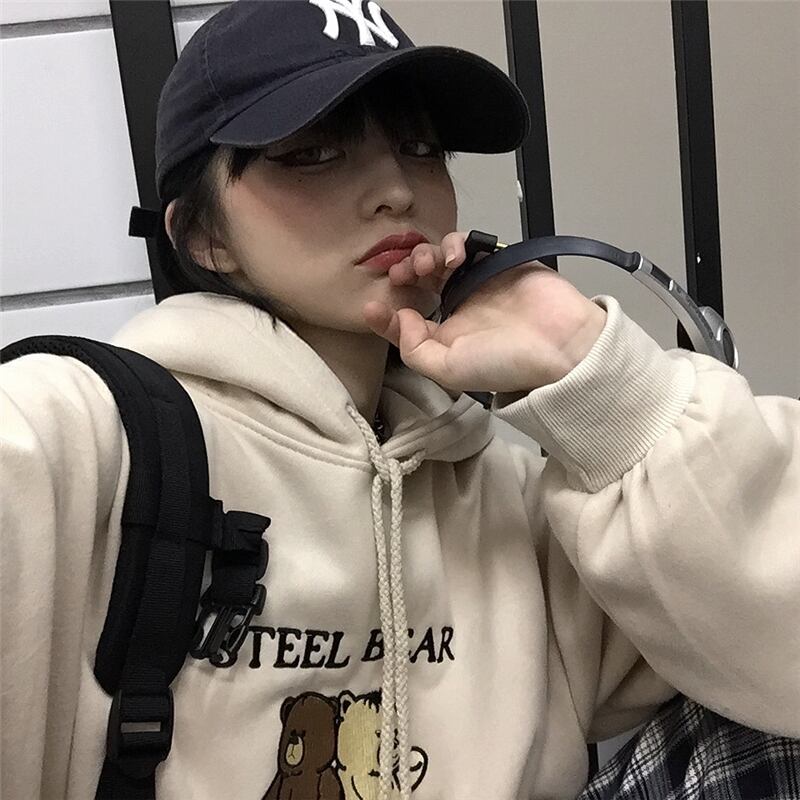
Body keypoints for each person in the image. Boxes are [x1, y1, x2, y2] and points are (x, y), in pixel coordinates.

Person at [1, 1, 798, 799]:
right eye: (312, 152)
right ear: (203, 237)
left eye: (420, 148)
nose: (395, 190)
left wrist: (600, 381)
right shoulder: (81, 439)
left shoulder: (514, 504)